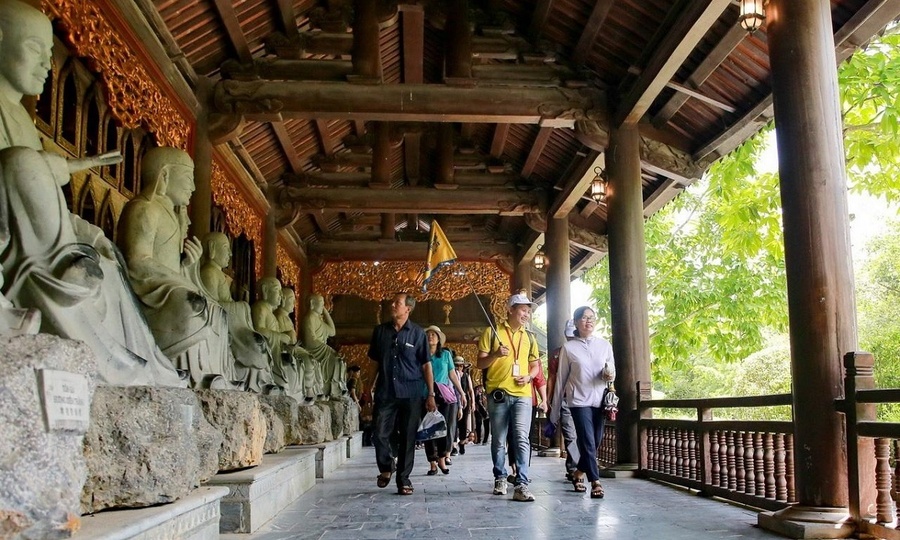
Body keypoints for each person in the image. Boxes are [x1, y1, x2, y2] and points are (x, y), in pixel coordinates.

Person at [0, 0, 183, 387]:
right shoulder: (145, 209)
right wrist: (40, 168)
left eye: (49, 54)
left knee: (109, 266)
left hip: (44, 231)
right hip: (18, 239)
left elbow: (48, 204)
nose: (46, 65)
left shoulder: (20, 119)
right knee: (22, 163)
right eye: (34, 48)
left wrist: (92, 233)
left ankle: (129, 363)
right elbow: (23, 184)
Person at [118, 146, 237, 388]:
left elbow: (171, 267)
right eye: (187, 178)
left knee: (218, 311)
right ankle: (185, 374)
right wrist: (182, 280)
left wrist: (187, 267)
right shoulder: (143, 208)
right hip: (147, 295)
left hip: (168, 288)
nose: (192, 187)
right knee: (192, 305)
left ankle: (211, 376)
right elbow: (137, 261)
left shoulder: (171, 216)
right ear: (164, 175)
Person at [368, 292, 435, 495]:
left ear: (408, 309)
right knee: (379, 432)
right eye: (393, 302)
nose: (392, 305)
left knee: (408, 437)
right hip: (386, 391)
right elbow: (374, 362)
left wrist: (431, 394)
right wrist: (367, 387)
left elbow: (426, 365)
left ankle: (404, 479)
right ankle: (387, 465)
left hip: (411, 393)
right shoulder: (380, 331)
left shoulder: (418, 334)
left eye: (397, 303)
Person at [477, 291, 541, 502]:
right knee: (499, 439)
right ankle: (500, 477)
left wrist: (529, 377)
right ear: (511, 310)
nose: (526, 314)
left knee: (522, 437)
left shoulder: (529, 337)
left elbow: (535, 366)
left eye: (529, 311)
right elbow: (480, 363)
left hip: (523, 394)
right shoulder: (492, 332)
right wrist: (496, 354)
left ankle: (522, 483)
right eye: (523, 310)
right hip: (498, 393)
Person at [550, 306, 616, 499]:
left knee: (595, 440)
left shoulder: (604, 345)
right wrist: (554, 410)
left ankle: (579, 472)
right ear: (577, 322)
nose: (589, 321)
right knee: (587, 440)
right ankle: (595, 481)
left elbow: (612, 371)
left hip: (600, 400)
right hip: (578, 400)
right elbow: (561, 379)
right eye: (585, 318)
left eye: (592, 317)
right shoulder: (569, 348)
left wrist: (609, 374)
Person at [199, 231, 274, 393]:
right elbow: (211, 306)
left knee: (259, 342)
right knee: (255, 343)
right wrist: (240, 306)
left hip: (231, 325)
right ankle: (254, 383)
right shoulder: (209, 273)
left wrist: (239, 305)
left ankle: (260, 382)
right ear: (212, 248)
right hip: (221, 326)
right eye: (226, 248)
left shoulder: (219, 275)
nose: (230, 254)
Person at [422, 326, 465, 476]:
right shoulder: (420, 353)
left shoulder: (446, 354)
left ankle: (441, 459)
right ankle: (432, 462)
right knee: (428, 429)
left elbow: (452, 374)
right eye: (428, 334)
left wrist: (461, 392)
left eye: (434, 334)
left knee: (442, 428)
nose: (430, 336)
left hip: (443, 395)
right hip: (425, 394)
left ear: (439, 339)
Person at [251, 278, 304, 400]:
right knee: (288, 361)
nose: (280, 295)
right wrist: (279, 336)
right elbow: (258, 329)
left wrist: (286, 340)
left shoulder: (271, 313)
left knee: (293, 360)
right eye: (277, 290)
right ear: (265, 290)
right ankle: (283, 387)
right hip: (266, 346)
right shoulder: (260, 307)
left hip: (274, 347)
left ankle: (294, 392)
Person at [548, 319, 580, 481]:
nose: (571, 338)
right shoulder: (557, 353)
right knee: (570, 435)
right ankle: (574, 468)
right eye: (569, 336)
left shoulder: (587, 350)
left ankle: (579, 465)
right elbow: (552, 377)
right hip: (565, 399)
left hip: (585, 399)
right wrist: (549, 399)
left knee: (585, 436)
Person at [302, 293, 347, 398]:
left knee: (339, 360)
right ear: (312, 303)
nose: (323, 305)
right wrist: (328, 350)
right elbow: (309, 341)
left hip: (321, 350)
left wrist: (326, 313)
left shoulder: (318, 319)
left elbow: (332, 331)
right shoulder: (309, 318)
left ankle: (336, 388)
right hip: (314, 350)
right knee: (335, 359)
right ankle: (331, 389)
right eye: (321, 303)